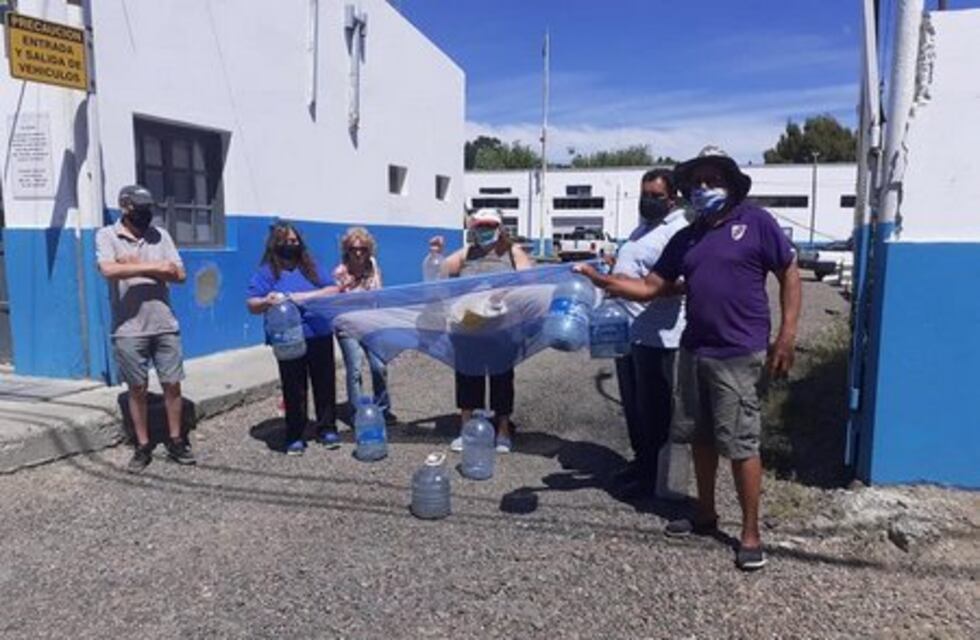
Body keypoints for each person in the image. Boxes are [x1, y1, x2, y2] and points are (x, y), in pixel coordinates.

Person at [576, 147, 802, 571]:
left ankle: (751, 533)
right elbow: (650, 286)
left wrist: (787, 335)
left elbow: (788, 270)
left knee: (740, 443)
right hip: (694, 348)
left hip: (738, 352)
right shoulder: (688, 237)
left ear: (731, 184)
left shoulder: (755, 222)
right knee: (699, 438)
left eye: (712, 180)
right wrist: (600, 279)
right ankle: (706, 513)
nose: (703, 189)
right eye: (696, 182)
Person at [96, 185, 195, 472]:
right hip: (128, 327)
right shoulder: (107, 235)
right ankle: (142, 444)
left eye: (148, 209)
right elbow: (108, 270)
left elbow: (179, 274)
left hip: (164, 323)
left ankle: (176, 439)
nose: (145, 214)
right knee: (137, 388)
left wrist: (134, 264)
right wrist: (156, 266)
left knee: (172, 384)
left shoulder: (160, 235)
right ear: (125, 208)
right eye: (139, 209)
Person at [607, 169, 689, 499]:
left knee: (656, 411)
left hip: (659, 337)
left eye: (656, 196)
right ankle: (641, 463)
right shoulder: (644, 228)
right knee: (635, 407)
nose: (648, 201)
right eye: (644, 195)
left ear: (673, 198)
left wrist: (637, 290)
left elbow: (682, 283)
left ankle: (656, 477)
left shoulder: (679, 232)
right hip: (630, 332)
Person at [430, 208, 533, 453]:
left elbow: (530, 281)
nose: (485, 231)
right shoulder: (467, 252)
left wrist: (506, 291)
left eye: (490, 226)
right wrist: (436, 254)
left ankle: (503, 431)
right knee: (468, 376)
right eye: (481, 226)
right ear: (474, 229)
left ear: (500, 228)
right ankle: (467, 429)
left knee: (501, 378)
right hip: (470, 325)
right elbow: (441, 271)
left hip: (502, 326)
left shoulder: (511, 251)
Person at [246, 222, 340, 455]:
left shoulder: (311, 266)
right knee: (293, 387)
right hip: (288, 339)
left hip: (318, 333)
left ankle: (327, 428)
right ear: (275, 245)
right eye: (286, 241)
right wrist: (267, 301)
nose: (291, 245)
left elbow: (333, 289)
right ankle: (295, 434)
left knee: (324, 383)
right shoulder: (268, 272)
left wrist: (302, 297)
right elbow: (252, 303)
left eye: (294, 241)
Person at [332, 227, 395, 424]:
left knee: (379, 367)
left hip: (372, 325)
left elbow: (379, 292)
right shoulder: (340, 272)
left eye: (363, 249)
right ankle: (357, 413)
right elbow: (335, 302)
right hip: (348, 327)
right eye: (353, 249)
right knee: (355, 369)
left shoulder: (373, 266)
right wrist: (344, 288)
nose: (358, 253)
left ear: (369, 250)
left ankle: (384, 408)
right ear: (347, 250)